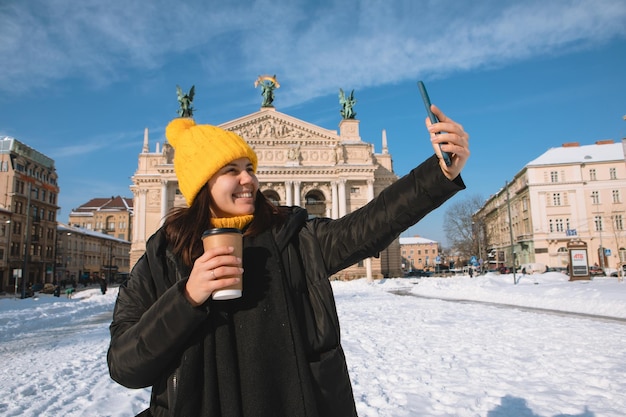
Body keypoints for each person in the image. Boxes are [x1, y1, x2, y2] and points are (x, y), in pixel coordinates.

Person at [107, 102, 469, 417]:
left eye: (249, 166)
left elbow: (366, 227)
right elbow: (126, 365)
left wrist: (439, 174)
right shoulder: (163, 254)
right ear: (202, 184)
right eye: (231, 170)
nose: (249, 179)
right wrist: (186, 297)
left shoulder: (294, 237)